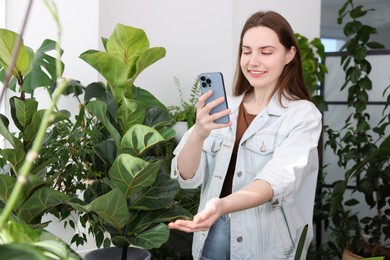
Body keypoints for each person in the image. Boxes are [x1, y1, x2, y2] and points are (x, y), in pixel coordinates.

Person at [169, 10, 322, 260]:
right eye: (247, 50)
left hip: (266, 243)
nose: (253, 61)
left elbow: (277, 180)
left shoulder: (302, 115)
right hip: (211, 234)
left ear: (289, 54)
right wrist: (198, 132)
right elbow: (186, 178)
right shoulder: (223, 108)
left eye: (266, 51)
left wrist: (223, 205)